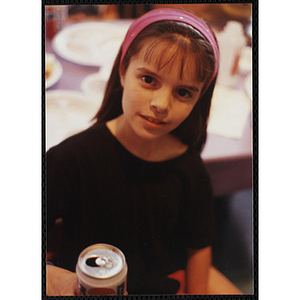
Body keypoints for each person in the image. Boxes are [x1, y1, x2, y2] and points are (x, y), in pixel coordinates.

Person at [46, 8, 242, 295]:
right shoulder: (69, 159)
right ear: (123, 70)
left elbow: (197, 253)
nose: (161, 104)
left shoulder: (190, 170)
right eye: (149, 80)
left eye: (183, 92)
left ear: (200, 97)